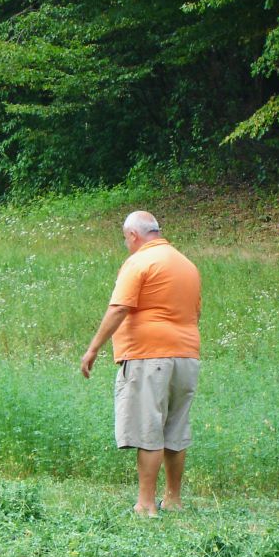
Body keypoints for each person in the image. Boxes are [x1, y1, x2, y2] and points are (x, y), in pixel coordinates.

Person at [80, 211, 201, 517]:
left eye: (125, 239)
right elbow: (195, 313)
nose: (127, 244)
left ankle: (146, 504)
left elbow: (120, 307)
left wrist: (93, 349)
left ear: (133, 235)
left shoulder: (140, 262)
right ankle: (173, 499)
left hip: (149, 356)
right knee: (175, 428)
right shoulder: (186, 265)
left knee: (149, 428)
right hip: (186, 356)